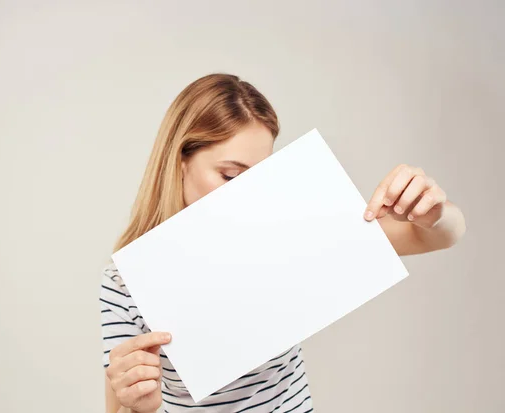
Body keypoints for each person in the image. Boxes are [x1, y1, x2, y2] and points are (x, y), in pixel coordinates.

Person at [100, 73, 467, 413]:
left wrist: (432, 211)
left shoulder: (286, 230)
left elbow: (439, 235)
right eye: (230, 175)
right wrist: (138, 406)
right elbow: (118, 406)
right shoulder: (126, 281)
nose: (245, 196)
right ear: (180, 160)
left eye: (260, 179)